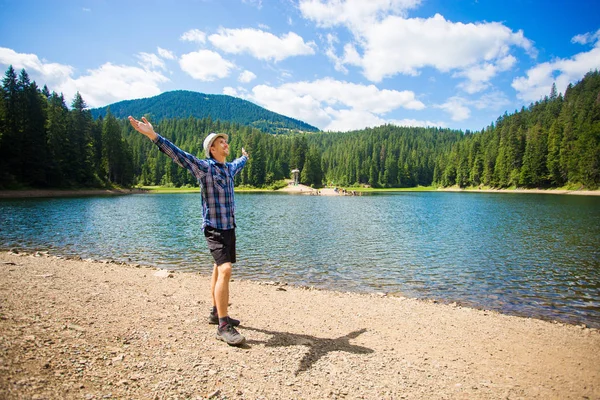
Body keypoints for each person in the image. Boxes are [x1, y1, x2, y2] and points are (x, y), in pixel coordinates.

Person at [128, 116, 249, 346]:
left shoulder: (230, 169)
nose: (226, 144)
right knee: (225, 270)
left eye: (226, 141)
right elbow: (178, 155)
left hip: (229, 228)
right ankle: (223, 326)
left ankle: (216, 312)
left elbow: (240, 162)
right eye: (221, 142)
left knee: (217, 267)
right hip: (213, 228)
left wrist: (245, 156)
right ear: (212, 149)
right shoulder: (204, 168)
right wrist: (153, 135)